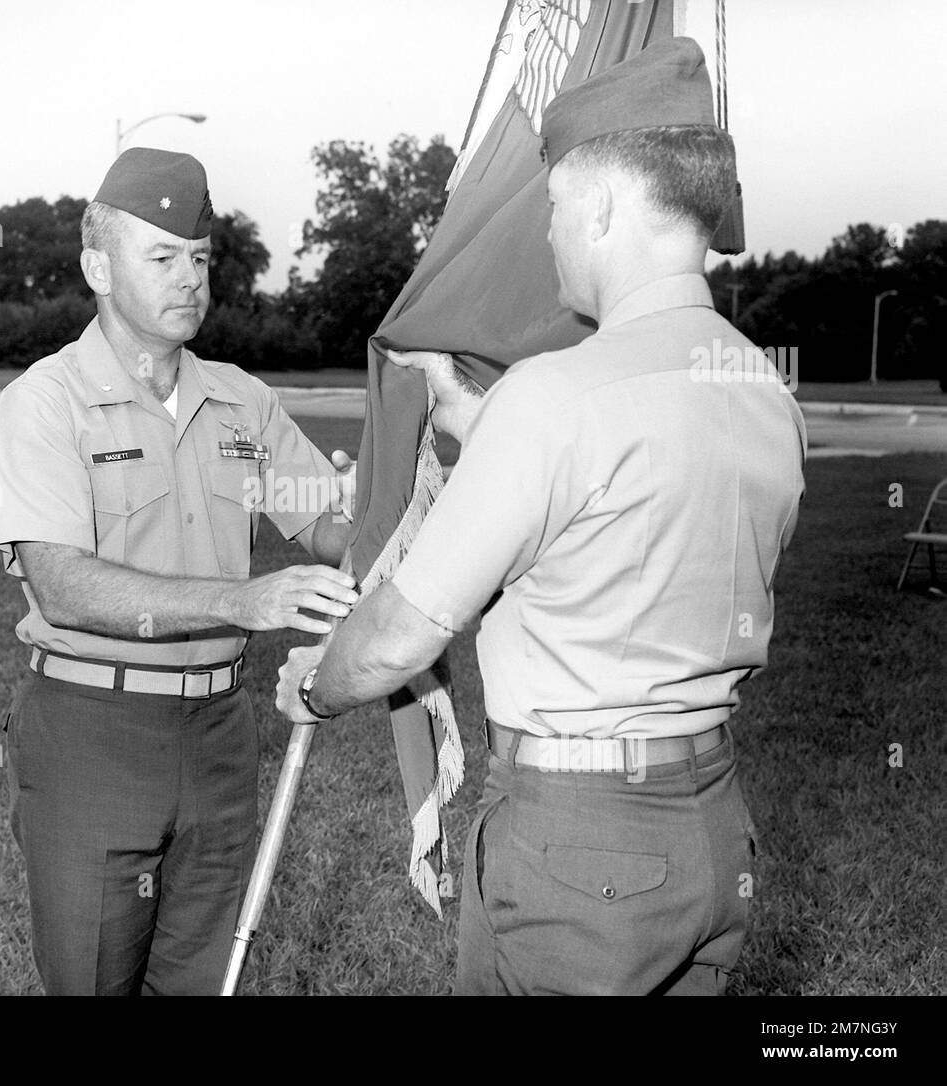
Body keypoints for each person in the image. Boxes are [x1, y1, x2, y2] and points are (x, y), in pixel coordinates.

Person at [275, 37, 807, 995]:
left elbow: (399, 637)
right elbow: (629, 520)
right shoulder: (764, 390)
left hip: (579, 848)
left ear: (602, 204)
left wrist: (315, 688)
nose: (551, 234)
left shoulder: (556, 398)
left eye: (556, 206)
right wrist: (485, 424)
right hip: (714, 823)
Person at [0, 147, 358, 995]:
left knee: (205, 980)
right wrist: (245, 599)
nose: (188, 277)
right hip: (93, 729)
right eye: (160, 257)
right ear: (98, 267)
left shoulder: (243, 400)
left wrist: (414, 506)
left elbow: (338, 531)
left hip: (221, 735)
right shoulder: (44, 403)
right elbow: (61, 584)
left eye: (198, 258)